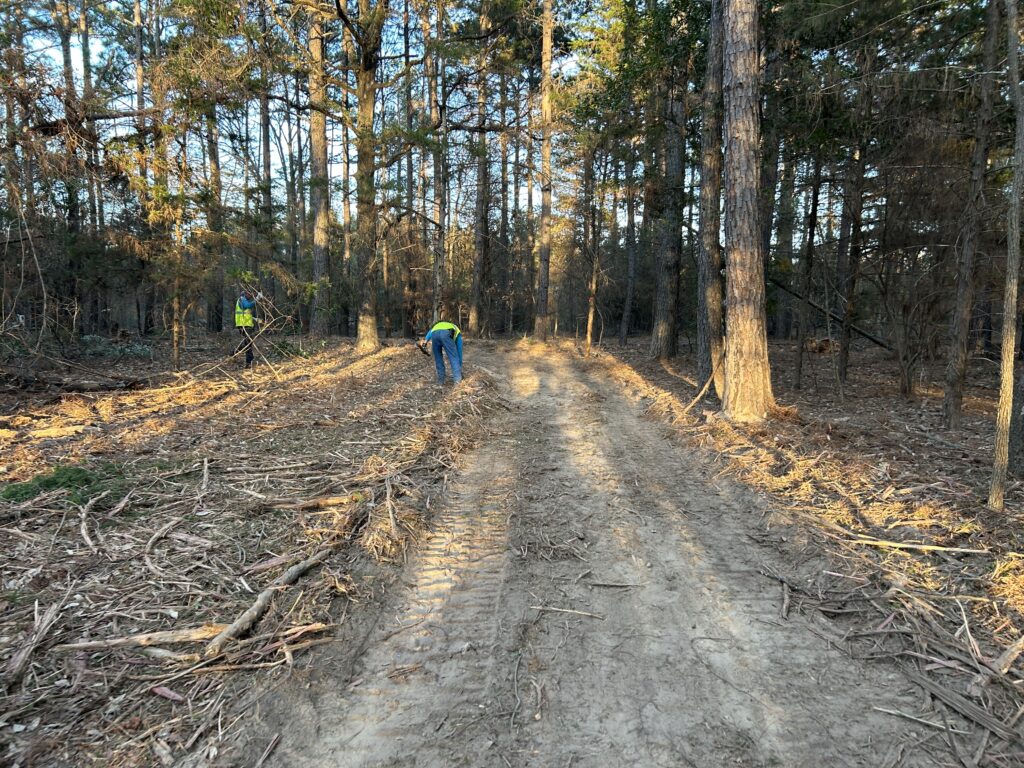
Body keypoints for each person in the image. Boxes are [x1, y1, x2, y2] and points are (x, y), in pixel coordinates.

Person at [420, 320, 463, 385]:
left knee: (438, 358)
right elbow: (459, 350)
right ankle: (457, 381)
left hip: (435, 334)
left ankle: (441, 381)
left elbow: (430, 332)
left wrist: (425, 343)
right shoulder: (455, 328)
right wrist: (459, 365)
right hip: (446, 333)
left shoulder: (437, 326)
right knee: (454, 357)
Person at [234, 290, 257, 369]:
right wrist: (257, 299)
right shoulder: (242, 299)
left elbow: (245, 313)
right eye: (249, 294)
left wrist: (255, 319)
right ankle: (248, 362)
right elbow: (248, 306)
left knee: (247, 342)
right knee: (248, 342)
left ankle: (234, 352)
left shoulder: (243, 300)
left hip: (245, 324)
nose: (251, 295)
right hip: (244, 325)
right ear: (245, 294)